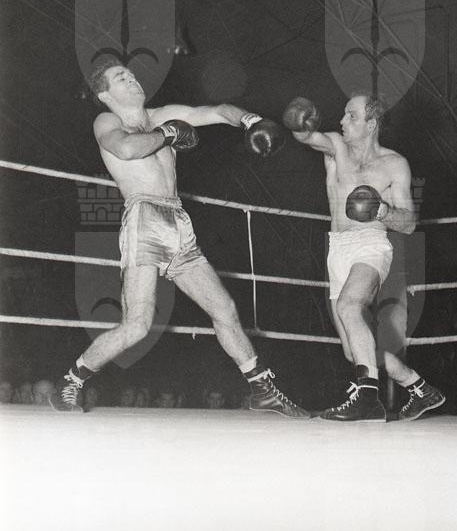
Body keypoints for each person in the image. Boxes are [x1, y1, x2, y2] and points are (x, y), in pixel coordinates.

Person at [49, 59, 308, 419]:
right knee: (138, 324)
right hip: (143, 217)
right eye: (121, 78)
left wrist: (250, 120)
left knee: (224, 308)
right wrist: (169, 135)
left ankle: (261, 389)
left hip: (178, 222)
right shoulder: (107, 121)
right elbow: (126, 149)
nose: (132, 79)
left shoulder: (162, 114)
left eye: (132, 74)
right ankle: (72, 380)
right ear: (105, 94)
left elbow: (217, 110)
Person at [282, 94, 445, 422]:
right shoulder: (335, 146)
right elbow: (304, 136)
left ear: (371, 124)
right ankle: (419, 388)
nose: (342, 121)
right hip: (337, 248)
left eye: (351, 116)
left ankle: (367, 400)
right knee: (352, 349)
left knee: (349, 307)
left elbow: (409, 224)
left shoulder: (394, 164)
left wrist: (380, 209)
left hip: (371, 245)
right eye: (344, 114)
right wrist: (298, 119)